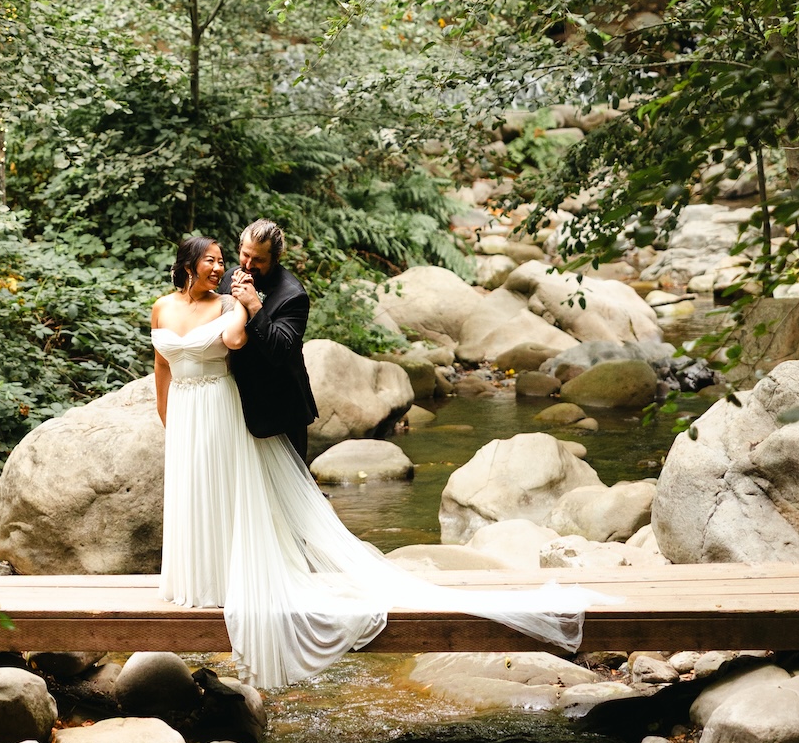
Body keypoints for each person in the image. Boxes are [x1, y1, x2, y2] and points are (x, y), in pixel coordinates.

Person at [151, 229, 607, 692]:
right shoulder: (212, 287)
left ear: (273, 259)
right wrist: (168, 412)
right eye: (236, 257)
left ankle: (270, 574)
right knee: (202, 493)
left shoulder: (287, 295)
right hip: (206, 411)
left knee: (266, 502)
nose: (239, 265)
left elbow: (271, 347)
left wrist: (248, 307)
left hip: (274, 408)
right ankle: (202, 577)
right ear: (192, 264)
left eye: (251, 258)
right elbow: (162, 364)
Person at [219, 218, 317, 464]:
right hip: (236, 404)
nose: (249, 265)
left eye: (259, 260)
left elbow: (279, 351)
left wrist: (254, 305)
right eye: (245, 255)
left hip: (280, 407)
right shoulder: (229, 277)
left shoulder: (293, 295)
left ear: (276, 258)